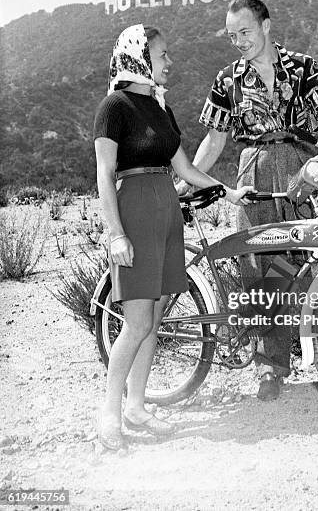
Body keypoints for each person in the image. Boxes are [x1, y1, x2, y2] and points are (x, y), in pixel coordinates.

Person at [177, 0, 318, 401]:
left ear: (266, 26)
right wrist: (188, 181)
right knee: (260, 272)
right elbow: (214, 140)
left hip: (303, 169)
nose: (238, 41)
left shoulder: (304, 67)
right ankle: (270, 367)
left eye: (245, 32)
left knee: (317, 259)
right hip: (253, 174)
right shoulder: (227, 79)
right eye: (232, 35)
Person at [93, 24, 252, 450]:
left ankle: (136, 407)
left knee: (156, 317)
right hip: (135, 209)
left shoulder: (160, 108)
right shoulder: (114, 107)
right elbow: (104, 176)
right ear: (139, 57)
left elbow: (183, 168)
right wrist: (115, 234)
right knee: (138, 320)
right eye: (162, 55)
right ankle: (110, 411)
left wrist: (229, 191)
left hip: (167, 209)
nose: (169, 63)